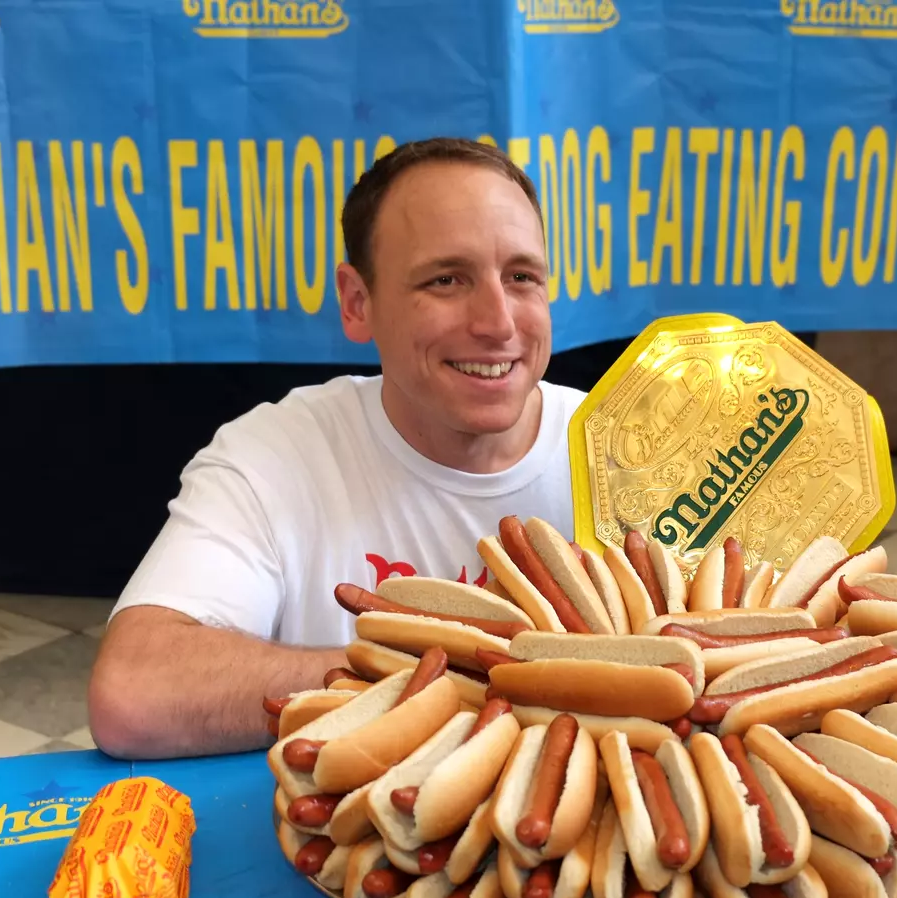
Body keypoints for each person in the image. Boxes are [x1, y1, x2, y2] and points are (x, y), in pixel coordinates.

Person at [87, 138, 588, 760]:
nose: (498, 322)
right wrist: (476, 677)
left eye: (521, 277)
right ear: (358, 303)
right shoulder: (273, 455)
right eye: (446, 279)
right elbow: (136, 692)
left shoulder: (630, 451)